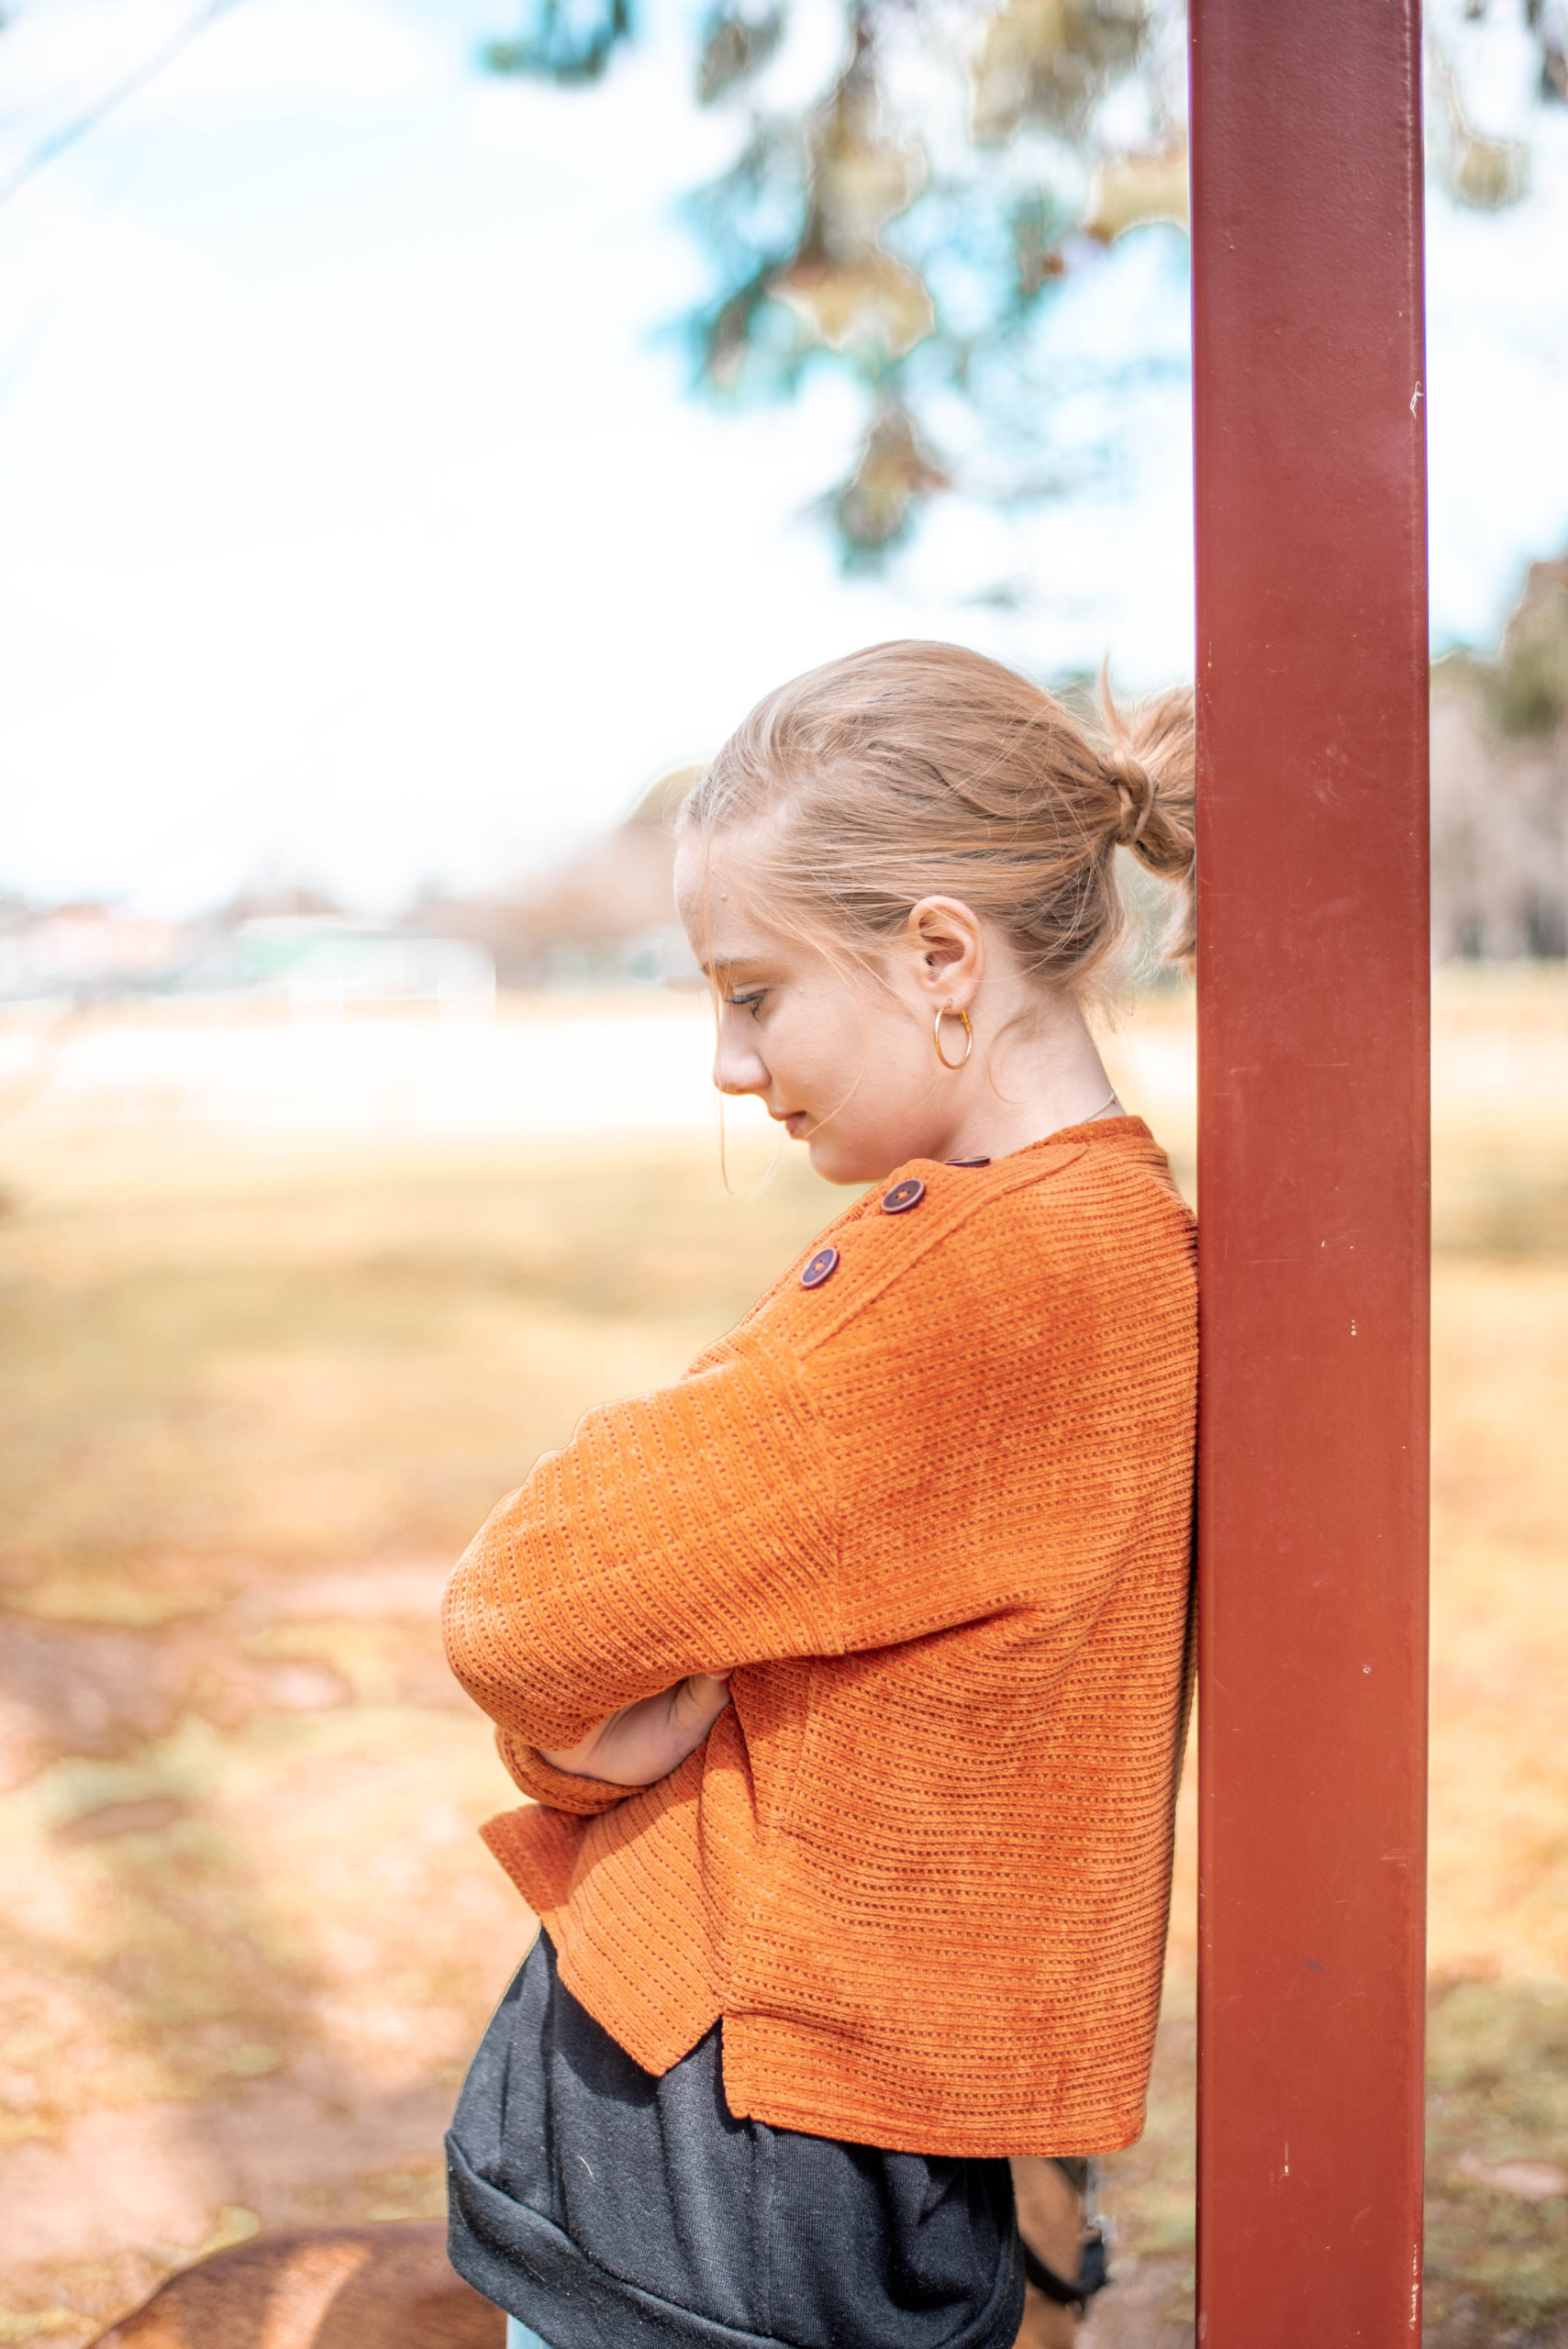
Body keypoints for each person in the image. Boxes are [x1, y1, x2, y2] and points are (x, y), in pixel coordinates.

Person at [441, 639, 1198, 2349]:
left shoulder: (971, 1280)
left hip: (718, 2127)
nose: (730, 1063)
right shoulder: (1127, 1237)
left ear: (940, 957)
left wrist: (579, 1745)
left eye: (755, 992)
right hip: (866, 2111)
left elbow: (521, 1601)